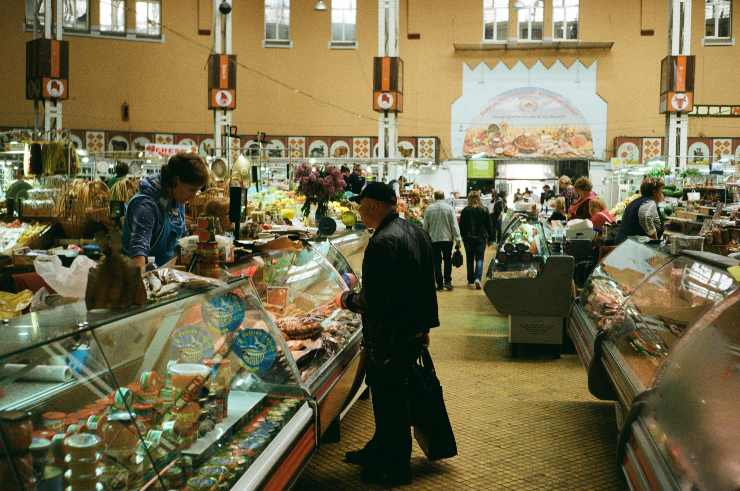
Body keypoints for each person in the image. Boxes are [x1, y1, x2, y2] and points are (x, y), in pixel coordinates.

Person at [338, 181, 439, 486]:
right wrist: (424, 327)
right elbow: (424, 284)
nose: (359, 211)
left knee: (391, 402)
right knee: (391, 399)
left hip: (390, 335)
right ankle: (379, 449)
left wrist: (347, 300)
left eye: (362, 205)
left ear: (374, 206)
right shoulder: (414, 230)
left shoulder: (383, 242)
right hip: (411, 329)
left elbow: (375, 300)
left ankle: (395, 468)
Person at [122, 153, 209, 268]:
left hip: (165, 275)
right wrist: (140, 283)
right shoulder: (145, 206)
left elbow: (180, 243)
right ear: (176, 181)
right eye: (191, 190)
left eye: (197, 191)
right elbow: (138, 254)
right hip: (141, 278)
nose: (193, 197)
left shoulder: (176, 200)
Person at [424, 190, 462, 291]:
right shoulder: (449, 208)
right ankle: (448, 282)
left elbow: (425, 227)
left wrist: (424, 238)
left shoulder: (429, 209)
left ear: (434, 197)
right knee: (447, 260)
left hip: (434, 239)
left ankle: (439, 284)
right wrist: (458, 239)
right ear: (444, 197)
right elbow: (454, 225)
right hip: (447, 239)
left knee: (436, 262)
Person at [616, 176, 665, 243]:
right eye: (661, 191)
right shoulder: (649, 202)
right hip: (632, 247)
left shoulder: (638, 201)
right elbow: (645, 217)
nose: (662, 194)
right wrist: (655, 240)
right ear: (654, 192)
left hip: (625, 244)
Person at [459, 191, 492, 290]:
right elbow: (489, 225)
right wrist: (490, 238)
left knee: (469, 259)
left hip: (468, 239)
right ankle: (478, 278)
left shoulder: (465, 210)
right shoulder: (484, 210)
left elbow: (462, 226)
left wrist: (462, 237)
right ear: (479, 198)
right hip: (481, 238)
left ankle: (470, 279)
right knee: (480, 258)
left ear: (469, 199)